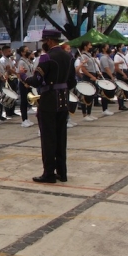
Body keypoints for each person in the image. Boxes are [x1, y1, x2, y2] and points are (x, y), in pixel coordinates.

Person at [19, 28, 77, 183]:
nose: (43, 44)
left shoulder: (47, 58)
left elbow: (37, 80)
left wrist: (23, 76)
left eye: (44, 41)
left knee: (48, 139)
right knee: (61, 137)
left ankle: (49, 173)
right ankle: (62, 172)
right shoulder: (69, 56)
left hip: (49, 102)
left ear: (49, 41)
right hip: (63, 101)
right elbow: (73, 81)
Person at [17, 45, 35, 128]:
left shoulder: (27, 61)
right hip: (24, 83)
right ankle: (24, 120)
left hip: (29, 83)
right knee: (23, 101)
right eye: (26, 50)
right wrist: (24, 83)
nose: (29, 51)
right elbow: (20, 74)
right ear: (22, 53)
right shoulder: (21, 61)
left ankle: (27, 119)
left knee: (28, 101)